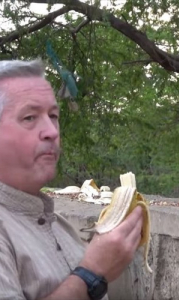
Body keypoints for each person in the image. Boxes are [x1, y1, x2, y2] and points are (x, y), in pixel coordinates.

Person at [0, 59, 143, 300]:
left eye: (53, 115)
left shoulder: (61, 226)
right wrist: (92, 274)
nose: (52, 131)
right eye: (29, 118)